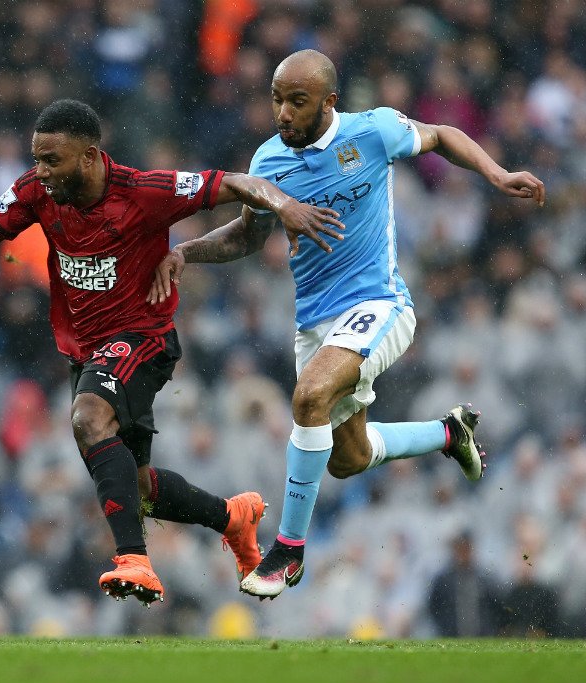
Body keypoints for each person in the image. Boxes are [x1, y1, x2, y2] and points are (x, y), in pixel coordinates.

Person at [0, 99, 344, 605]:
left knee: (88, 418)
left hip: (143, 340)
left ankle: (134, 561)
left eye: (52, 160)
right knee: (137, 487)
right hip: (88, 353)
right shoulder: (35, 191)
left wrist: (285, 206)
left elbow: (238, 183)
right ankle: (232, 517)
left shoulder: (144, 192)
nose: (41, 171)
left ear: (89, 156)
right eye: (37, 159)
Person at [150, 50, 546, 599]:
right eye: (277, 100)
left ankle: (287, 551)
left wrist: (497, 175)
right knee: (347, 458)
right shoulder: (268, 161)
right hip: (315, 323)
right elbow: (246, 237)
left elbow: (443, 135)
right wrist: (185, 252)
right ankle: (449, 433)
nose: (283, 113)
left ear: (329, 101)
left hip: (380, 304)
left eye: (297, 101)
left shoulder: (374, 131)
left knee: (309, 398)